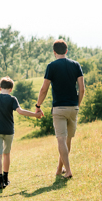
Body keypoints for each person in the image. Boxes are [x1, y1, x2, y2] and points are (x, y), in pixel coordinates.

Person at [34, 39, 85, 179]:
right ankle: (59, 169)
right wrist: (77, 104)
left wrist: (38, 106)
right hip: (73, 107)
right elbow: (82, 89)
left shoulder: (51, 66)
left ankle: (68, 171)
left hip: (59, 108)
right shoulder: (76, 65)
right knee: (68, 141)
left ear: (54, 52)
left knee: (61, 140)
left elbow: (44, 89)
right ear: (66, 51)